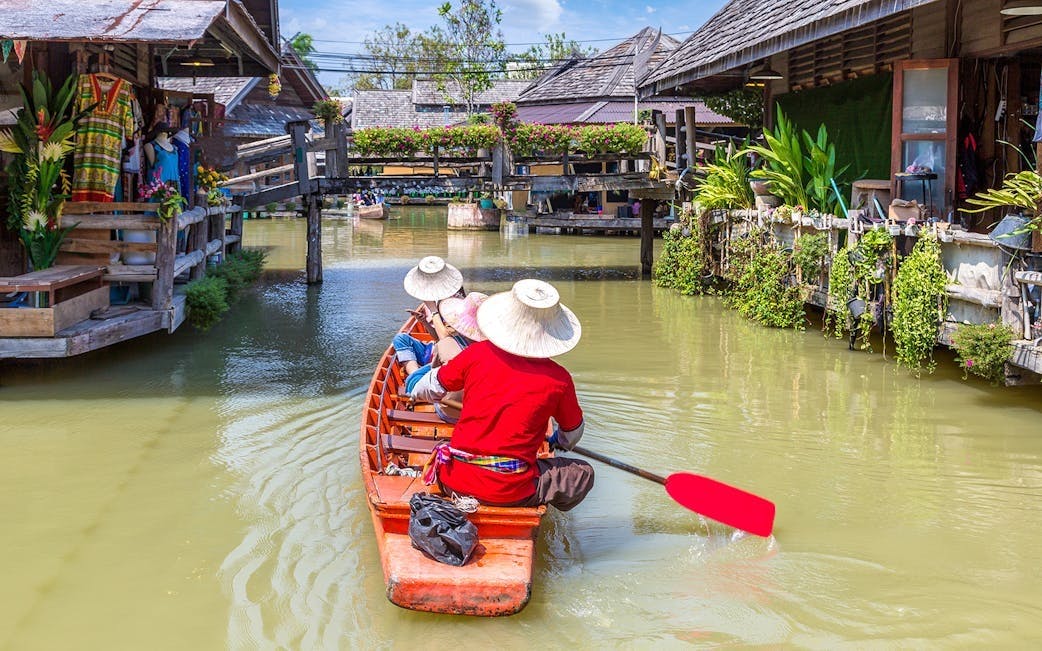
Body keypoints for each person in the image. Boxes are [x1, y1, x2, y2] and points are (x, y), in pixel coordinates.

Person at [414, 279, 594, 512]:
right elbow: (571, 436)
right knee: (583, 473)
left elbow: (422, 389)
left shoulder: (477, 354)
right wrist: (557, 440)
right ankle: (537, 505)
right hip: (511, 492)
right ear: (551, 333)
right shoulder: (559, 379)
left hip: (454, 482)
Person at [392, 255, 465, 381]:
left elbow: (446, 341)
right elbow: (438, 337)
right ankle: (416, 376)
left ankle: (416, 380)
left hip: (450, 356)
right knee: (400, 339)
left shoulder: (455, 302)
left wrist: (433, 310)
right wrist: (424, 322)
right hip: (435, 349)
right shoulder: (439, 300)